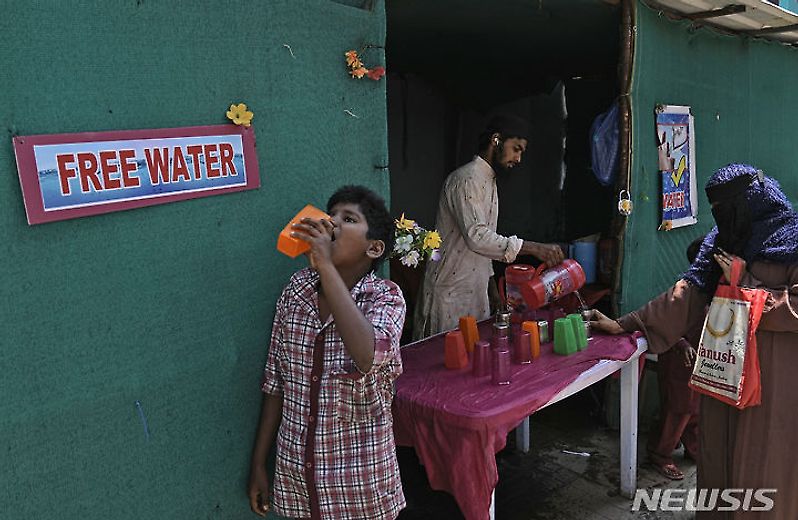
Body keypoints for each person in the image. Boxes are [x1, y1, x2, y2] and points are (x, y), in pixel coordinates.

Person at [592, 164, 798, 519]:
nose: (721, 219)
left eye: (726, 210)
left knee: (762, 462)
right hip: (724, 376)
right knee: (718, 461)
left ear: (750, 202)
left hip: (772, 384)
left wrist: (743, 282)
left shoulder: (792, 240)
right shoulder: (721, 242)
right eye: (715, 211)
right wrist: (627, 323)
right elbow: (685, 295)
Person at [247, 186, 407, 520]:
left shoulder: (386, 298)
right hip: (298, 483)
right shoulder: (296, 290)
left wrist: (324, 265)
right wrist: (260, 463)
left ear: (374, 248)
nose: (331, 224)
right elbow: (275, 383)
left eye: (348, 219)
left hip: (359, 489)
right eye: (330, 214)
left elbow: (367, 356)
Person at [413, 114, 564, 339]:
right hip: (450, 293)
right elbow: (477, 237)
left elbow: (486, 244)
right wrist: (534, 248)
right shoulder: (466, 179)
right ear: (496, 140)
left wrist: (492, 288)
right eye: (516, 149)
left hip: (475, 293)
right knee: (444, 363)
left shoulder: (489, 182)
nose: (518, 158)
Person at [646, 236, 704, 481]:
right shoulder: (685, 289)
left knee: (696, 408)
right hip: (678, 357)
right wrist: (681, 344)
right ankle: (660, 454)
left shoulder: (713, 288)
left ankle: (693, 448)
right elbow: (664, 323)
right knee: (677, 408)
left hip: (700, 359)